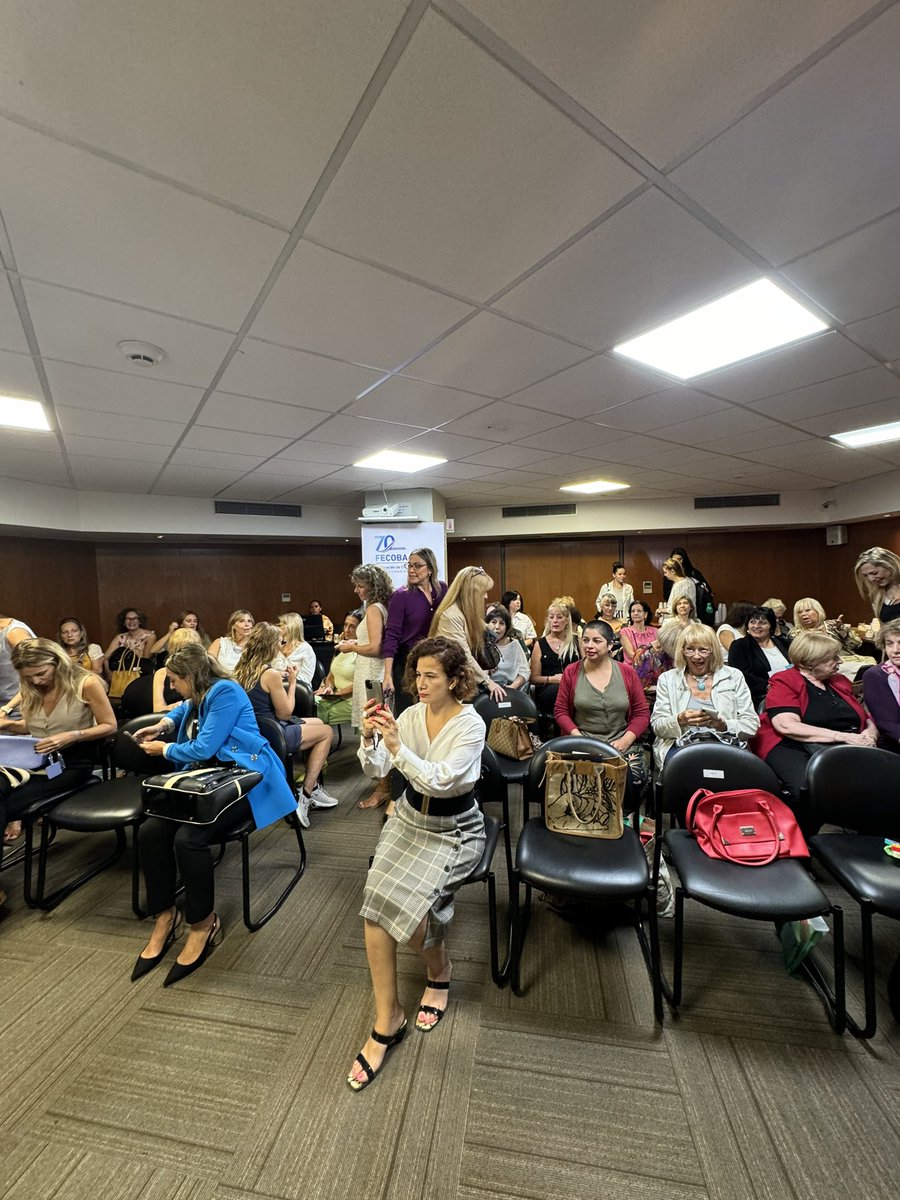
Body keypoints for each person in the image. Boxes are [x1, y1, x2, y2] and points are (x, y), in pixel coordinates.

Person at [348, 637, 486, 1091]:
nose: (421, 684)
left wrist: (397, 750)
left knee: (413, 920)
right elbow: (375, 770)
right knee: (375, 906)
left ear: (454, 679)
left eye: (431, 676)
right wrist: (372, 741)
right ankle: (388, 1016)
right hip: (409, 819)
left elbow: (444, 782)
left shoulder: (470, 724)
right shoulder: (408, 716)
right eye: (418, 675)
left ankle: (439, 969)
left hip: (455, 829)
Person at [131, 643, 297, 985]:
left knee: (189, 838)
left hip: (245, 780)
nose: (171, 686)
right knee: (150, 831)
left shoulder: (226, 691)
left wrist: (164, 748)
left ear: (192, 676)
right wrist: (163, 725)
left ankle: (203, 923)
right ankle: (165, 914)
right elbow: (184, 709)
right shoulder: (203, 691)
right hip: (206, 780)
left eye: (175, 680)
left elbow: (205, 747)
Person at [0, 638, 116, 849]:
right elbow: (35, 725)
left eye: (41, 673)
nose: (36, 681)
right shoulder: (29, 686)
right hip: (35, 760)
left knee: (8, 803)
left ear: (57, 662)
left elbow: (109, 725)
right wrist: (9, 725)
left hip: (73, 762)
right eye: (29, 676)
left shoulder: (86, 683)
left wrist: (73, 735)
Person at [754, 630, 876, 828]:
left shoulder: (839, 681)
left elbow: (865, 717)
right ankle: (805, 840)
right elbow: (786, 725)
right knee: (807, 789)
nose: (840, 662)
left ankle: (859, 838)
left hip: (843, 744)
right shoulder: (785, 680)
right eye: (832, 658)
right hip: (793, 744)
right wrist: (844, 737)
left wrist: (870, 733)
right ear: (810, 662)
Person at [233, 623, 337, 826]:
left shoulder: (240, 669)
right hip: (272, 734)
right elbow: (286, 712)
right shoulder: (270, 674)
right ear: (271, 645)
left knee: (317, 722)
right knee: (326, 732)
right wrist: (292, 681)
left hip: (256, 731)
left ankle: (314, 787)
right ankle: (305, 794)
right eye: (280, 642)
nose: (282, 645)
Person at [554, 619, 651, 808]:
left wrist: (625, 741)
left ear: (610, 645)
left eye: (596, 641)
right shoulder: (572, 672)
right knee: (580, 785)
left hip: (620, 742)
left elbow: (641, 713)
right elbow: (561, 712)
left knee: (636, 778)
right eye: (585, 640)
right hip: (583, 741)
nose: (589, 646)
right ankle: (587, 823)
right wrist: (578, 737)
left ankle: (624, 821)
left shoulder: (627, 672)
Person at [651, 624, 759, 773]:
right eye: (690, 649)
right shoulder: (668, 679)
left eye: (703, 649)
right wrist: (679, 720)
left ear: (713, 651)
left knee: (723, 775)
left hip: (725, 746)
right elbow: (657, 725)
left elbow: (751, 725)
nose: (696, 656)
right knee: (686, 775)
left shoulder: (733, 676)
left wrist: (724, 726)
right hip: (681, 747)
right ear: (682, 651)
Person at [339, 564, 394, 809]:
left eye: (361, 585)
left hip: (372, 673)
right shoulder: (379, 607)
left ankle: (384, 788)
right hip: (371, 672)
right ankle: (385, 785)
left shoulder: (373, 609)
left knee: (376, 728)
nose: (356, 590)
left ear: (372, 587)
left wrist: (351, 647)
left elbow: (375, 648)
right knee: (378, 727)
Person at [382, 548, 448, 714]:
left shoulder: (442, 590)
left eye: (417, 566)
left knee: (434, 711)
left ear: (430, 569)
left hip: (435, 660)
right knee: (409, 713)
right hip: (406, 663)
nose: (412, 570)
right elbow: (391, 636)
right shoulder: (401, 596)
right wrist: (387, 675)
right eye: (410, 565)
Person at [429, 566, 505, 701]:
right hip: (447, 685)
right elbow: (464, 656)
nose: (486, 596)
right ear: (471, 592)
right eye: (483, 592)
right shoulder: (451, 616)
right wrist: (487, 681)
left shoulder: (466, 614)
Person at [727, 606, 791, 709]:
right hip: (760, 697)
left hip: (790, 690)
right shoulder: (740, 646)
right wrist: (772, 686)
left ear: (771, 626)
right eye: (752, 622)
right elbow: (741, 674)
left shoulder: (783, 643)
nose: (756, 626)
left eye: (762, 623)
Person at [530, 599, 582, 719]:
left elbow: (586, 667)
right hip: (548, 689)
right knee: (559, 690)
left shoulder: (576, 641)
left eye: (559, 617)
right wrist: (551, 679)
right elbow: (533, 678)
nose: (555, 621)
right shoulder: (540, 644)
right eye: (551, 617)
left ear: (567, 621)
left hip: (574, 686)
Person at [862, 618, 900, 752]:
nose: (895, 650)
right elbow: (888, 724)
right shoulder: (875, 675)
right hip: (894, 745)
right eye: (889, 644)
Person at [315, 612, 359, 725]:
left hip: (352, 700)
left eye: (352, 626)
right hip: (336, 697)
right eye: (345, 625)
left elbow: (359, 684)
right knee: (307, 703)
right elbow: (331, 675)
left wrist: (336, 695)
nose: (347, 629)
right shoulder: (340, 648)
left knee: (315, 712)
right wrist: (329, 688)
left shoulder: (362, 652)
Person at [620, 600, 666, 695]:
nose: (635, 613)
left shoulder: (655, 631)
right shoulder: (625, 632)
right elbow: (632, 655)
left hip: (655, 668)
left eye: (639, 611)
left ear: (645, 614)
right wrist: (650, 648)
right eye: (633, 611)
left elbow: (661, 652)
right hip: (633, 669)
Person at [152, 627, 201, 711]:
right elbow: (157, 709)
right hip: (169, 717)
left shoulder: (203, 670)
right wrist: (177, 708)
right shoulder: (161, 673)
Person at [790, 598, 862, 652]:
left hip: (847, 659)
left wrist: (844, 633)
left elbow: (857, 645)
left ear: (818, 611)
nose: (803, 614)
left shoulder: (832, 625)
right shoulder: (795, 633)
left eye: (808, 610)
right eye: (799, 612)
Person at [854, 546, 900, 630]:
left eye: (874, 573)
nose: (871, 579)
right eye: (866, 575)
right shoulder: (879, 596)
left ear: (890, 565)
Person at [665, 547, 714, 625]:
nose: (677, 562)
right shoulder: (667, 576)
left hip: (693, 613)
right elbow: (666, 595)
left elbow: (708, 591)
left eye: (679, 559)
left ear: (685, 559)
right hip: (675, 614)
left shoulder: (693, 574)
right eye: (674, 560)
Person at [487, 605, 529, 689]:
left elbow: (525, 671)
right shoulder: (481, 644)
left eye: (502, 623)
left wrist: (513, 686)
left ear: (507, 628)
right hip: (487, 688)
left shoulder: (514, 644)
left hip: (509, 687)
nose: (497, 627)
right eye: (493, 622)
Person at [274, 612, 316, 685]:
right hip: (275, 689)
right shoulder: (276, 647)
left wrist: (286, 677)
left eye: (280, 625)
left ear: (290, 627)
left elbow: (306, 678)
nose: (277, 627)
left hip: (298, 690)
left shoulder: (306, 649)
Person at [595, 592, 625, 657]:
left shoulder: (622, 622)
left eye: (613, 606)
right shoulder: (597, 625)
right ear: (601, 606)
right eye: (607, 605)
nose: (610, 608)